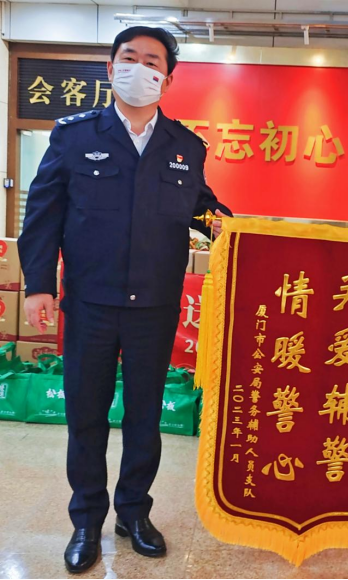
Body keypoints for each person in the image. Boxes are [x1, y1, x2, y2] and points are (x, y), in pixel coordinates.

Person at [18, 26, 232, 574]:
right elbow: (42, 215)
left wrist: (238, 232)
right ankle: (86, 519)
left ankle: (134, 513)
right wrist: (39, 285)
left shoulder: (185, 147)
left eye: (153, 61)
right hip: (89, 303)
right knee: (86, 416)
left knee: (144, 418)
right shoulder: (73, 136)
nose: (141, 68)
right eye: (129, 58)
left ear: (167, 78)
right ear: (111, 69)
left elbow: (206, 213)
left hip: (153, 309)